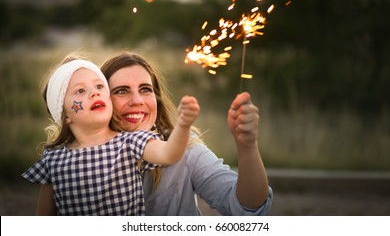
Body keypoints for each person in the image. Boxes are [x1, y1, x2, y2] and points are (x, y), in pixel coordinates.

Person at [100, 51, 273, 216]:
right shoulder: (84, 158)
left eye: (145, 89)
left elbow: (246, 209)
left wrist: (247, 146)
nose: (137, 101)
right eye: (121, 91)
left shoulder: (185, 149)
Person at [22, 56, 199, 216]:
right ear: (64, 114)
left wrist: (183, 125)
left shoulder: (130, 142)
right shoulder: (53, 160)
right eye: (80, 91)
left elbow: (169, 154)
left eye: (99, 86)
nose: (94, 92)